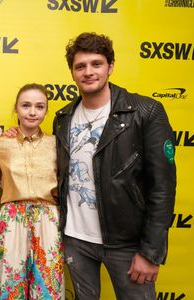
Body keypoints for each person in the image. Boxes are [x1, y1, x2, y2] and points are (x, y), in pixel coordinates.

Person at [53, 32, 176, 299]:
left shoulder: (145, 112)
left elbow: (163, 188)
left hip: (128, 245)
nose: (88, 72)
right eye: (80, 66)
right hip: (76, 240)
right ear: (72, 73)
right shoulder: (62, 118)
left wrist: (151, 252)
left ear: (110, 66)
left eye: (96, 64)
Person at [0, 84, 65, 299]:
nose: (32, 112)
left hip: (48, 220)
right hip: (12, 220)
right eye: (26, 105)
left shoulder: (56, 144)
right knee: (11, 285)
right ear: (16, 109)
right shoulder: (0, 144)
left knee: (47, 286)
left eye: (39, 106)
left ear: (46, 111)